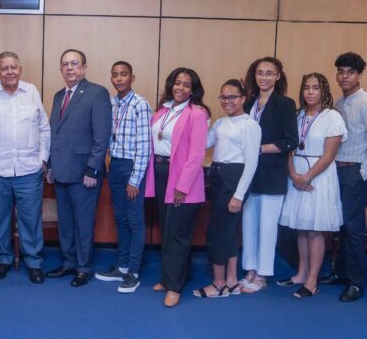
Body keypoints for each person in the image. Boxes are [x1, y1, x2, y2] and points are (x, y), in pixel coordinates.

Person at [321, 52, 367, 302]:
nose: (345, 76)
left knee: (353, 227)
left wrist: (362, 174)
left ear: (359, 75)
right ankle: (341, 273)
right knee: (340, 225)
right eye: (341, 71)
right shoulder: (338, 103)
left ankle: (356, 283)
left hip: (356, 171)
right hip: (336, 170)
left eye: (350, 72)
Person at [45, 49, 112, 288]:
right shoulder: (58, 96)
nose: (70, 68)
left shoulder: (97, 93)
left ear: (84, 68)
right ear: (61, 69)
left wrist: (93, 169)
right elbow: (55, 133)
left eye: (74, 63)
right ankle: (69, 262)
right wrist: (50, 166)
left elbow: (102, 136)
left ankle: (84, 267)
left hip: (84, 173)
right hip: (61, 170)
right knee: (65, 223)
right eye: (65, 64)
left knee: (83, 223)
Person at [277, 73, 347, 298]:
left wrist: (306, 177)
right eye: (306, 87)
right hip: (296, 173)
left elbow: (329, 155)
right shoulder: (297, 115)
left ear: (324, 90)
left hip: (319, 175)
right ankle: (301, 273)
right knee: (301, 226)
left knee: (315, 229)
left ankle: (312, 280)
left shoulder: (332, 117)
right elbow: (288, 147)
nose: (310, 92)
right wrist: (293, 174)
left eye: (315, 87)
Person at [0, 52, 50, 284]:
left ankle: (34, 261)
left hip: (29, 170)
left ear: (20, 70)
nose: (10, 72)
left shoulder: (31, 91)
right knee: (1, 219)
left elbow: (43, 127)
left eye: (14, 67)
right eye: (4, 68)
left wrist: (43, 159)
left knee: (30, 219)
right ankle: (3, 259)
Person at [145, 68, 210, 308]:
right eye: (177, 83)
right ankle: (167, 278)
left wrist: (182, 186)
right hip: (160, 173)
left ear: (193, 90)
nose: (180, 88)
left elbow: (196, 155)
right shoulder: (162, 111)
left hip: (182, 179)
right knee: (167, 230)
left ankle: (175, 287)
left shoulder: (197, 114)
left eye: (186, 85)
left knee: (178, 234)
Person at [194, 79, 260, 299]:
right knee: (228, 232)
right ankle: (231, 281)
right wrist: (200, 120)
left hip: (235, 179)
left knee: (217, 232)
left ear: (243, 98)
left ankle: (218, 284)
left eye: (232, 97)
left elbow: (251, 163)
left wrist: (238, 196)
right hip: (218, 177)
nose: (227, 101)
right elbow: (203, 144)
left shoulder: (250, 125)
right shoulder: (221, 123)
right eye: (223, 97)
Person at [240, 57, 299, 293]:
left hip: (272, 174)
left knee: (267, 227)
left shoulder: (285, 103)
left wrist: (259, 148)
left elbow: (290, 141)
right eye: (260, 73)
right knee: (249, 224)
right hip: (248, 174)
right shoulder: (248, 102)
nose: (264, 77)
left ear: (277, 76)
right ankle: (250, 269)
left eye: (269, 73)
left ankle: (263, 273)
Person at [95, 61, 152, 293]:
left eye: (124, 74)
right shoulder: (110, 104)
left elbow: (145, 146)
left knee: (135, 221)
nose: (119, 79)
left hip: (131, 167)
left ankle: (134, 272)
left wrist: (135, 179)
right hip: (115, 166)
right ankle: (122, 266)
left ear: (132, 78)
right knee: (120, 219)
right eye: (115, 75)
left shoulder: (140, 104)